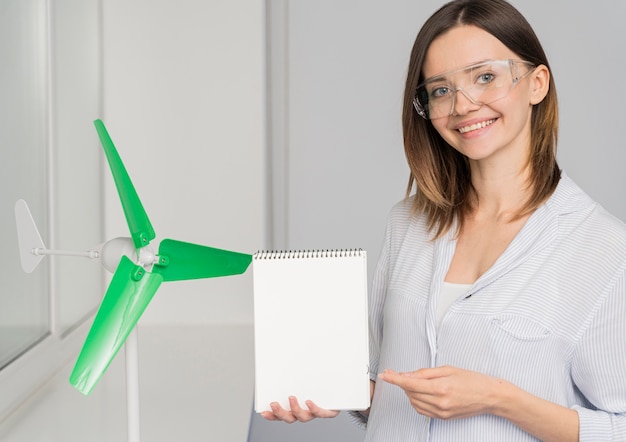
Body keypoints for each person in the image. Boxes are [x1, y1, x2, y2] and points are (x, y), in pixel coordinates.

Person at [261, 0, 626, 440]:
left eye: (485, 77)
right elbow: (396, 389)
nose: (463, 105)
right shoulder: (407, 224)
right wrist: (336, 388)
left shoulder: (604, 250)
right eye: (440, 90)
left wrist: (498, 398)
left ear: (537, 83)